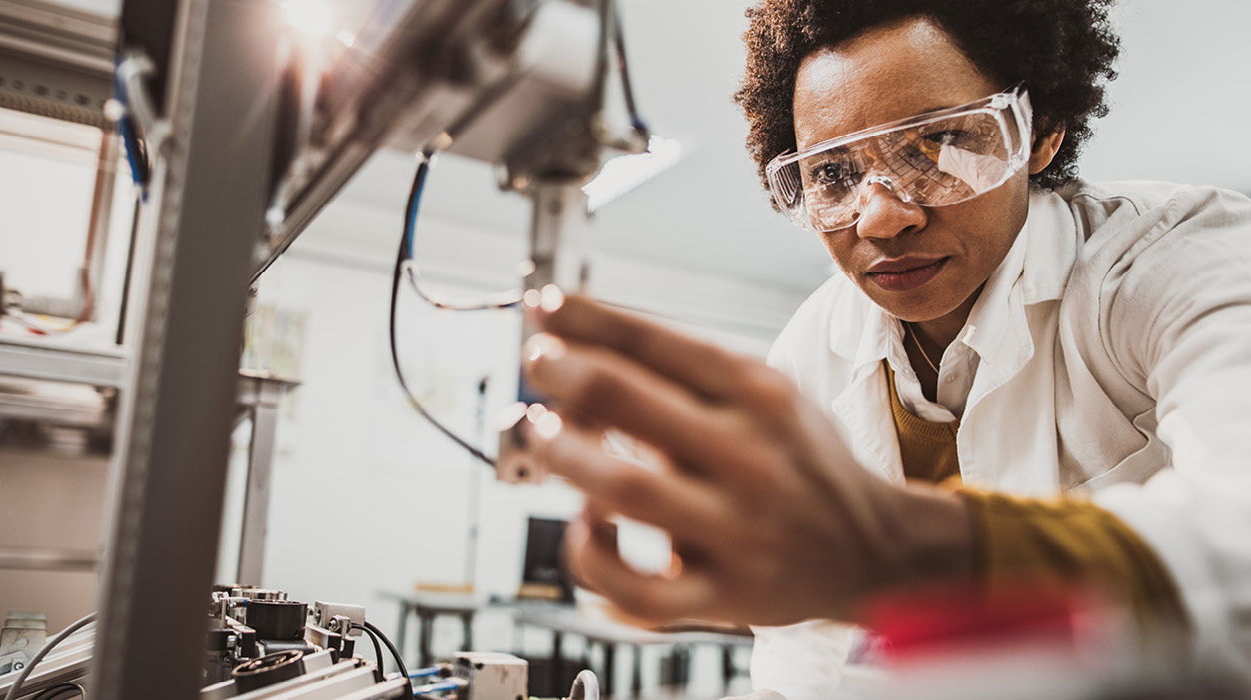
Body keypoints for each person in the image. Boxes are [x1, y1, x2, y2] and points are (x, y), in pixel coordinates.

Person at [511, 0, 1251, 697]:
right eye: (833, 173)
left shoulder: (1175, 261)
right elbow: (808, 661)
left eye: (942, 143)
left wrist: (902, 549)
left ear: (1042, 130)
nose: (883, 217)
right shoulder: (814, 345)